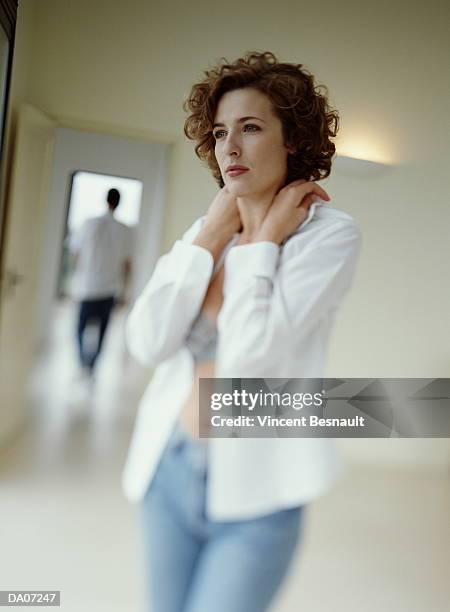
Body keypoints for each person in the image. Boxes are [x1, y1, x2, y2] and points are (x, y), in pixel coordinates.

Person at [123, 51, 361, 612]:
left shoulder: (329, 238)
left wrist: (263, 243)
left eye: (251, 128)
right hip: (169, 469)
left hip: (258, 491)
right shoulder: (208, 232)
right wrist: (210, 236)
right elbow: (148, 342)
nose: (230, 146)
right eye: (221, 131)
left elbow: (248, 363)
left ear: (293, 140)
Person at [69, 188, 132, 376]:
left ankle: (83, 362)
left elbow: (76, 254)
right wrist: (124, 292)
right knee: (102, 334)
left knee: (79, 330)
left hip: (87, 288)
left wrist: (76, 280)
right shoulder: (124, 231)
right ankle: (91, 366)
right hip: (109, 290)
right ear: (119, 203)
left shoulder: (89, 224)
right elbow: (127, 265)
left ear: (106, 200)